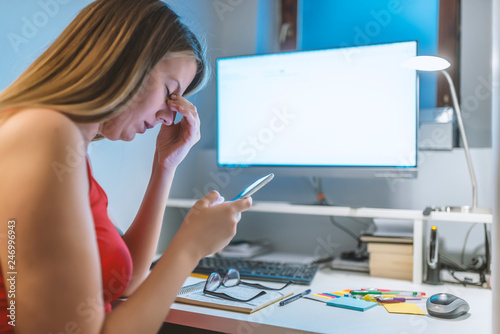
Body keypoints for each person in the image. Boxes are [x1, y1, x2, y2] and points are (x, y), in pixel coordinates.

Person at [0, 0, 252, 333]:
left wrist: (165, 165)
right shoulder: (45, 134)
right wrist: (190, 247)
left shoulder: (64, 146)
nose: (168, 116)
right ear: (126, 62)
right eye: (169, 93)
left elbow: (125, 281)